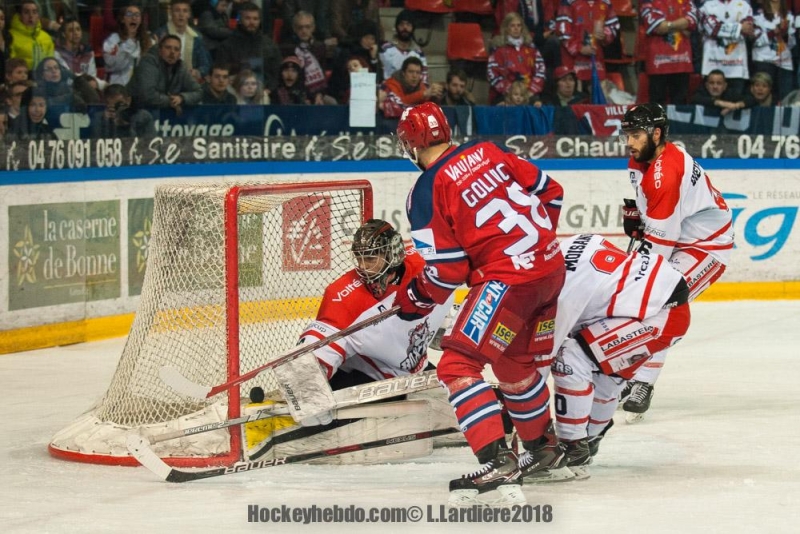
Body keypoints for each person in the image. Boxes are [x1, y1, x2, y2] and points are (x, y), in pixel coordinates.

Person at [395, 102, 566, 506]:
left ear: (411, 143)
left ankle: (498, 460)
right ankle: (541, 447)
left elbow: (448, 271)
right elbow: (551, 192)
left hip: (508, 282)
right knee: (513, 364)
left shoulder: (425, 189)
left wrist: (415, 299)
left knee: (457, 364)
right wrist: (534, 247)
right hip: (549, 271)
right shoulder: (489, 151)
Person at [619, 103, 733, 421]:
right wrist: (638, 222)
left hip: (706, 247)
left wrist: (632, 275)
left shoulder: (666, 174)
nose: (630, 141)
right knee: (643, 298)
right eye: (627, 134)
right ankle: (631, 375)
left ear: (657, 134)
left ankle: (643, 382)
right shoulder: (643, 157)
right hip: (680, 236)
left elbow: (657, 253)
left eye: (637, 134)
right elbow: (651, 218)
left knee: (662, 300)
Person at [548, 234, 691, 478]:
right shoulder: (569, 243)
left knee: (568, 359)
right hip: (656, 303)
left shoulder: (564, 296)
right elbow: (595, 242)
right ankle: (589, 440)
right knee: (605, 373)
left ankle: (573, 447)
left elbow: (542, 362)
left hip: (661, 315)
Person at [296, 219, 453, 392]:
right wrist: (306, 388)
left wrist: (441, 326)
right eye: (359, 258)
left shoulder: (424, 264)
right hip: (366, 381)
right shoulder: (342, 296)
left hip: (409, 372)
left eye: (370, 258)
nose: (363, 267)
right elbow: (315, 353)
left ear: (392, 253)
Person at [638, 0, 698, 105]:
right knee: (657, 106)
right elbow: (656, 26)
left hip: (682, 62)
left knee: (680, 106)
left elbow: (692, 20)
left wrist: (668, 24)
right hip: (658, 63)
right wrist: (681, 24)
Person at [215, 2, 281, 92]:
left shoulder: (269, 45)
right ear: (240, 20)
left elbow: (276, 73)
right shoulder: (227, 45)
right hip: (235, 93)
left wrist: (269, 89)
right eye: (248, 18)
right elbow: (222, 73)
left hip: (264, 93)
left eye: (255, 19)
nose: (252, 22)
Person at [556, 0, 620, 90]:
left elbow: (613, 25)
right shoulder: (568, 2)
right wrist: (579, 48)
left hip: (596, 59)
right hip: (573, 61)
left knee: (599, 96)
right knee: (576, 99)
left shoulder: (605, 3)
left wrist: (605, 35)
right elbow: (562, 30)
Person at [128, 34, 202, 111]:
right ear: (160, 50)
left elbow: (198, 92)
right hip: (137, 109)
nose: (172, 52)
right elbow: (147, 94)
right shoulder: (148, 62)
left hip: (162, 113)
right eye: (168, 48)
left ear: (179, 55)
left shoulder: (181, 67)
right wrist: (170, 101)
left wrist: (182, 98)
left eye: (176, 49)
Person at [487, 12, 547, 105]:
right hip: (505, 94)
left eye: (519, 25)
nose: (516, 28)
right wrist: (508, 91)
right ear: (506, 28)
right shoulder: (498, 49)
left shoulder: (531, 48)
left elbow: (541, 70)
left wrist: (532, 90)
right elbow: (492, 73)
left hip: (528, 93)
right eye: (512, 26)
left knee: (538, 106)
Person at [278, 11, 336, 104]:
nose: (304, 31)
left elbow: (322, 74)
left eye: (307, 27)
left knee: (332, 102)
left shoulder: (319, 47)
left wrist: (319, 95)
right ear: (294, 29)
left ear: (313, 28)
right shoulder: (287, 48)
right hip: (294, 93)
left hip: (316, 92)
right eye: (300, 27)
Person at [698, 0, 754, 96]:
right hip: (712, 64)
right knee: (711, 105)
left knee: (734, 104)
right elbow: (712, 29)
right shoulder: (706, 6)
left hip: (736, 67)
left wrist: (722, 30)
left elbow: (747, 30)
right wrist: (739, 28)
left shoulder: (745, 6)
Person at [154, 0, 213, 82]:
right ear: (171, 13)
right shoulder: (160, 35)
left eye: (185, 11)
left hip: (189, 82)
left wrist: (197, 72)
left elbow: (205, 65)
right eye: (177, 10)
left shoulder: (196, 37)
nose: (181, 15)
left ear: (189, 14)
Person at [752, 0, 795, 102]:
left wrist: (785, 34)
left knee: (785, 100)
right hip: (763, 61)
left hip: (784, 64)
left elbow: (792, 44)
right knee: (761, 99)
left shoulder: (789, 16)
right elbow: (755, 41)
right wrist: (773, 32)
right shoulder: (757, 16)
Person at [103, 3, 155, 85]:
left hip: (141, 87)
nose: (133, 18)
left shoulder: (149, 42)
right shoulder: (113, 40)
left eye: (137, 15)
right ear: (122, 19)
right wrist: (129, 41)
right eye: (129, 14)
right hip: (119, 85)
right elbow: (112, 66)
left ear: (141, 20)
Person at [54, 16, 106, 91]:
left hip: (87, 90)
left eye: (78, 29)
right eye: (71, 30)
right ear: (64, 34)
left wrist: (97, 83)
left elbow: (92, 76)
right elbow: (68, 77)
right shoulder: (58, 53)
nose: (76, 33)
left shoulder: (88, 52)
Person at [90, 83, 155, 138]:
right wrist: (106, 123)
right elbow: (97, 145)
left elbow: (149, 143)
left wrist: (124, 125)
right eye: (111, 105)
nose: (117, 108)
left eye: (119, 104)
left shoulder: (143, 117)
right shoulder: (99, 118)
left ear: (128, 100)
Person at [380, 9, 427, 83]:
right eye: (401, 24)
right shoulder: (385, 48)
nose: (405, 28)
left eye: (408, 24)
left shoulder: (418, 52)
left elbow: (424, 78)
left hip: (412, 91)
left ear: (413, 28)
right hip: (389, 90)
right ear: (397, 27)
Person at [9, 0, 55, 70]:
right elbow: (11, 65)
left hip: (45, 77)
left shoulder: (46, 37)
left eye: (34, 12)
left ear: (38, 16)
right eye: (26, 12)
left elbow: (51, 62)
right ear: (20, 15)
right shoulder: (10, 36)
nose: (31, 16)